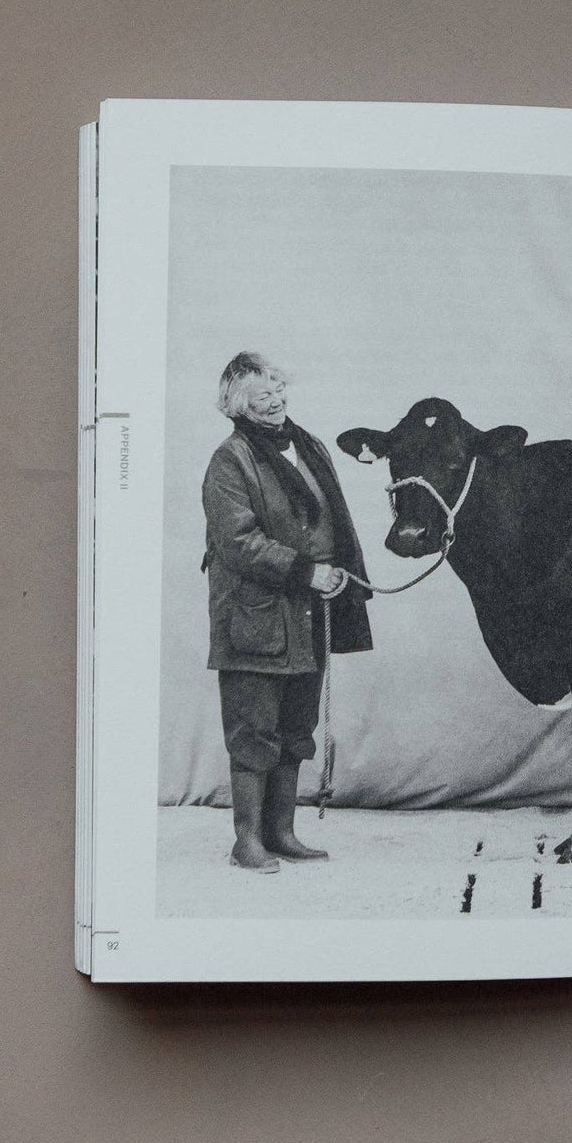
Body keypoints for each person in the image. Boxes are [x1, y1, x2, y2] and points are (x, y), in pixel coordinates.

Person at [202, 352, 372, 872]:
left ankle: (281, 833)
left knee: (297, 726)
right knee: (253, 730)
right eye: (263, 396)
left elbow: (333, 522)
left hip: (310, 613)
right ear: (238, 406)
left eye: (279, 389)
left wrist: (336, 572)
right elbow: (237, 542)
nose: (276, 401)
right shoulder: (229, 460)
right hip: (255, 617)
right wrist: (307, 571)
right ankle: (247, 841)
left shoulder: (309, 445)